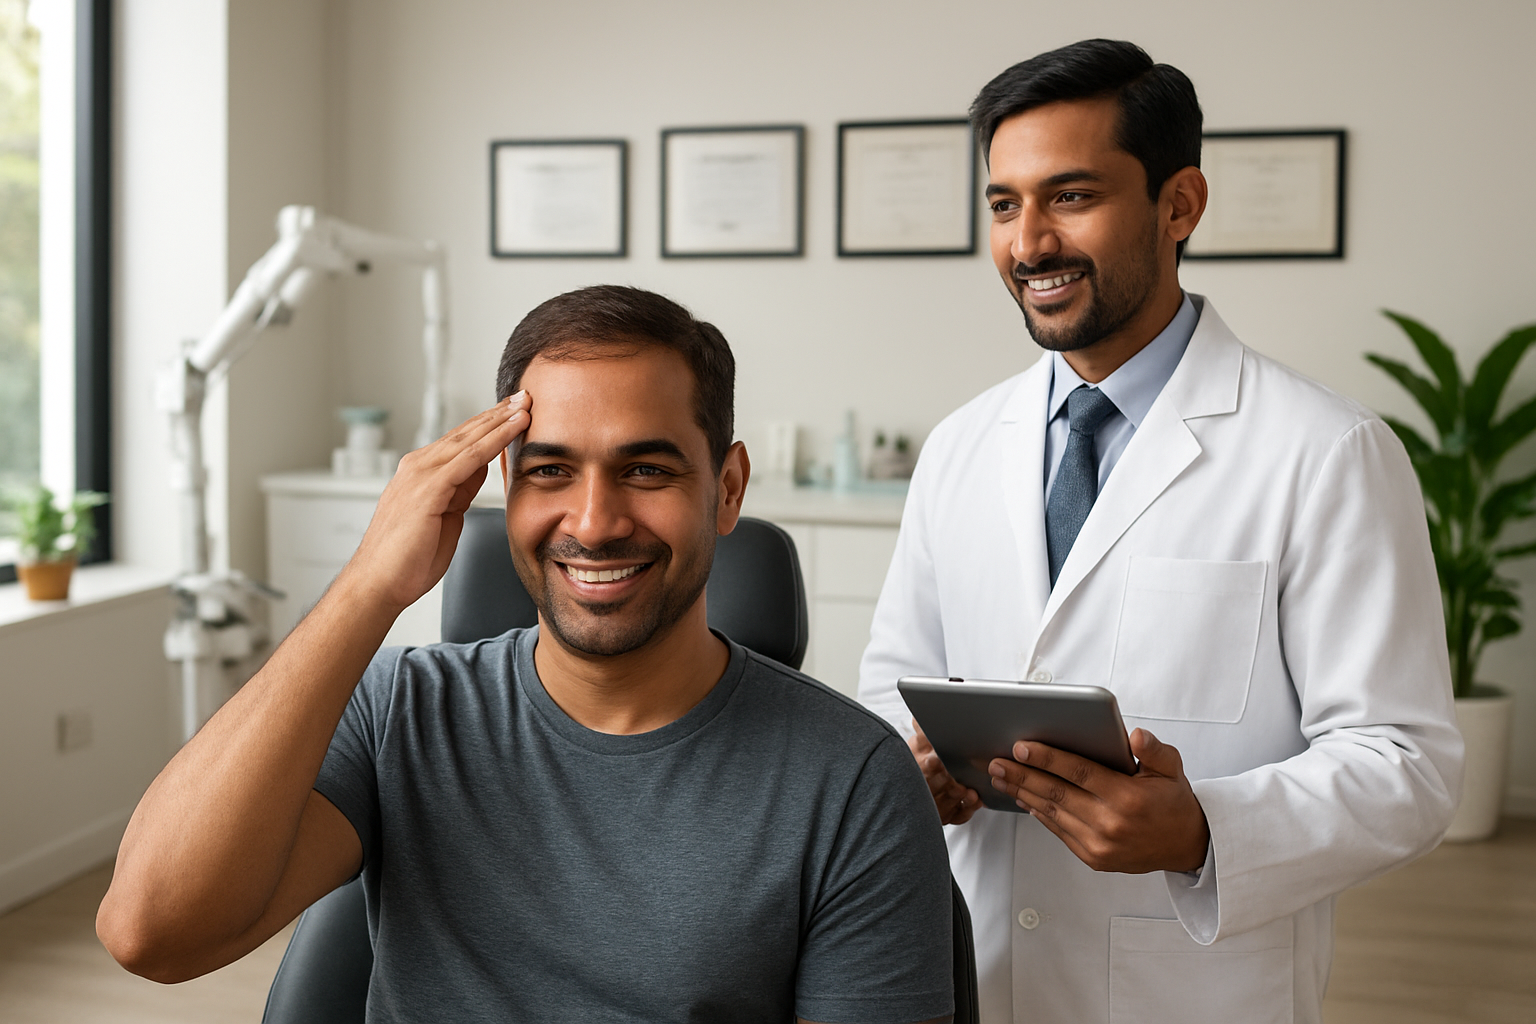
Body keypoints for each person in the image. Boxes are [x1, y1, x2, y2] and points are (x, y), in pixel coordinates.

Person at [99, 285, 956, 1024]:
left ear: (726, 488)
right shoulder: (400, 710)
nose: (593, 522)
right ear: (505, 487)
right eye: (550, 471)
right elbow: (152, 932)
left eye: (647, 470)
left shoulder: (851, 780)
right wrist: (367, 586)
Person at [857, 39, 1463, 1024]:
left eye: (1072, 196)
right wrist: (910, 766)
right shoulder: (962, 444)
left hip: (1192, 991)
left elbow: (1408, 762)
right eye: (1005, 204)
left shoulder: (1326, 450)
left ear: (1179, 205)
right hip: (969, 972)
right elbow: (889, 680)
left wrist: (1203, 828)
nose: (1030, 243)